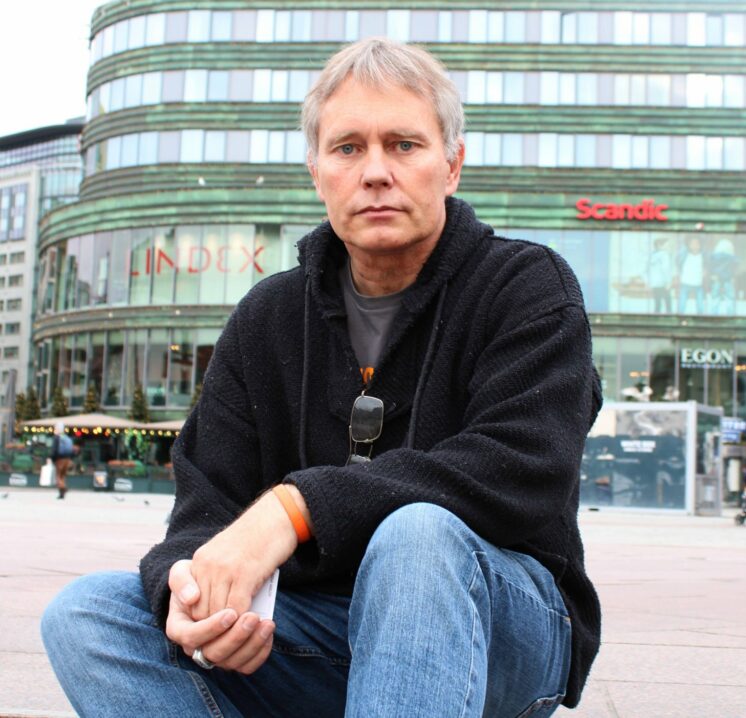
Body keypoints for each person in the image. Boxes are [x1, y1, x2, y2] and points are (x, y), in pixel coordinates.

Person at [41, 38, 603, 716]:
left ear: (452, 165)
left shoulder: (526, 287)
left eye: (404, 145)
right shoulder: (267, 317)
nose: (375, 172)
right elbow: (204, 507)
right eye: (347, 148)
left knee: (419, 536)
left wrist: (294, 508)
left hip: (503, 628)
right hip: (319, 629)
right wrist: (184, 588)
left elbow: (524, 467)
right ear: (316, 172)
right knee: (89, 613)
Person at [676, 237, 704, 314]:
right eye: (692, 244)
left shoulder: (703, 256)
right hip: (685, 282)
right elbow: (678, 263)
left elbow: (706, 267)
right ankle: (680, 317)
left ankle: (700, 318)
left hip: (698, 283)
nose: (695, 246)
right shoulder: (685, 255)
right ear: (689, 245)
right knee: (682, 304)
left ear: (700, 245)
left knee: (700, 304)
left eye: (697, 244)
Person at [646, 237, 673, 313]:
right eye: (667, 245)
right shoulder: (664, 255)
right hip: (663, 283)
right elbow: (665, 269)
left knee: (657, 303)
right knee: (668, 302)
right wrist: (668, 282)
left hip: (655, 283)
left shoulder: (652, 255)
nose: (668, 247)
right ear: (659, 245)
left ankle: (656, 317)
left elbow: (648, 270)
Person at [50, 421, 75, 500]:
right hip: (67, 459)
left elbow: (54, 449)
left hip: (59, 459)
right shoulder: (66, 437)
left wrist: (52, 458)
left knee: (58, 476)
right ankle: (62, 494)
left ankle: (63, 488)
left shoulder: (57, 437)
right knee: (63, 476)